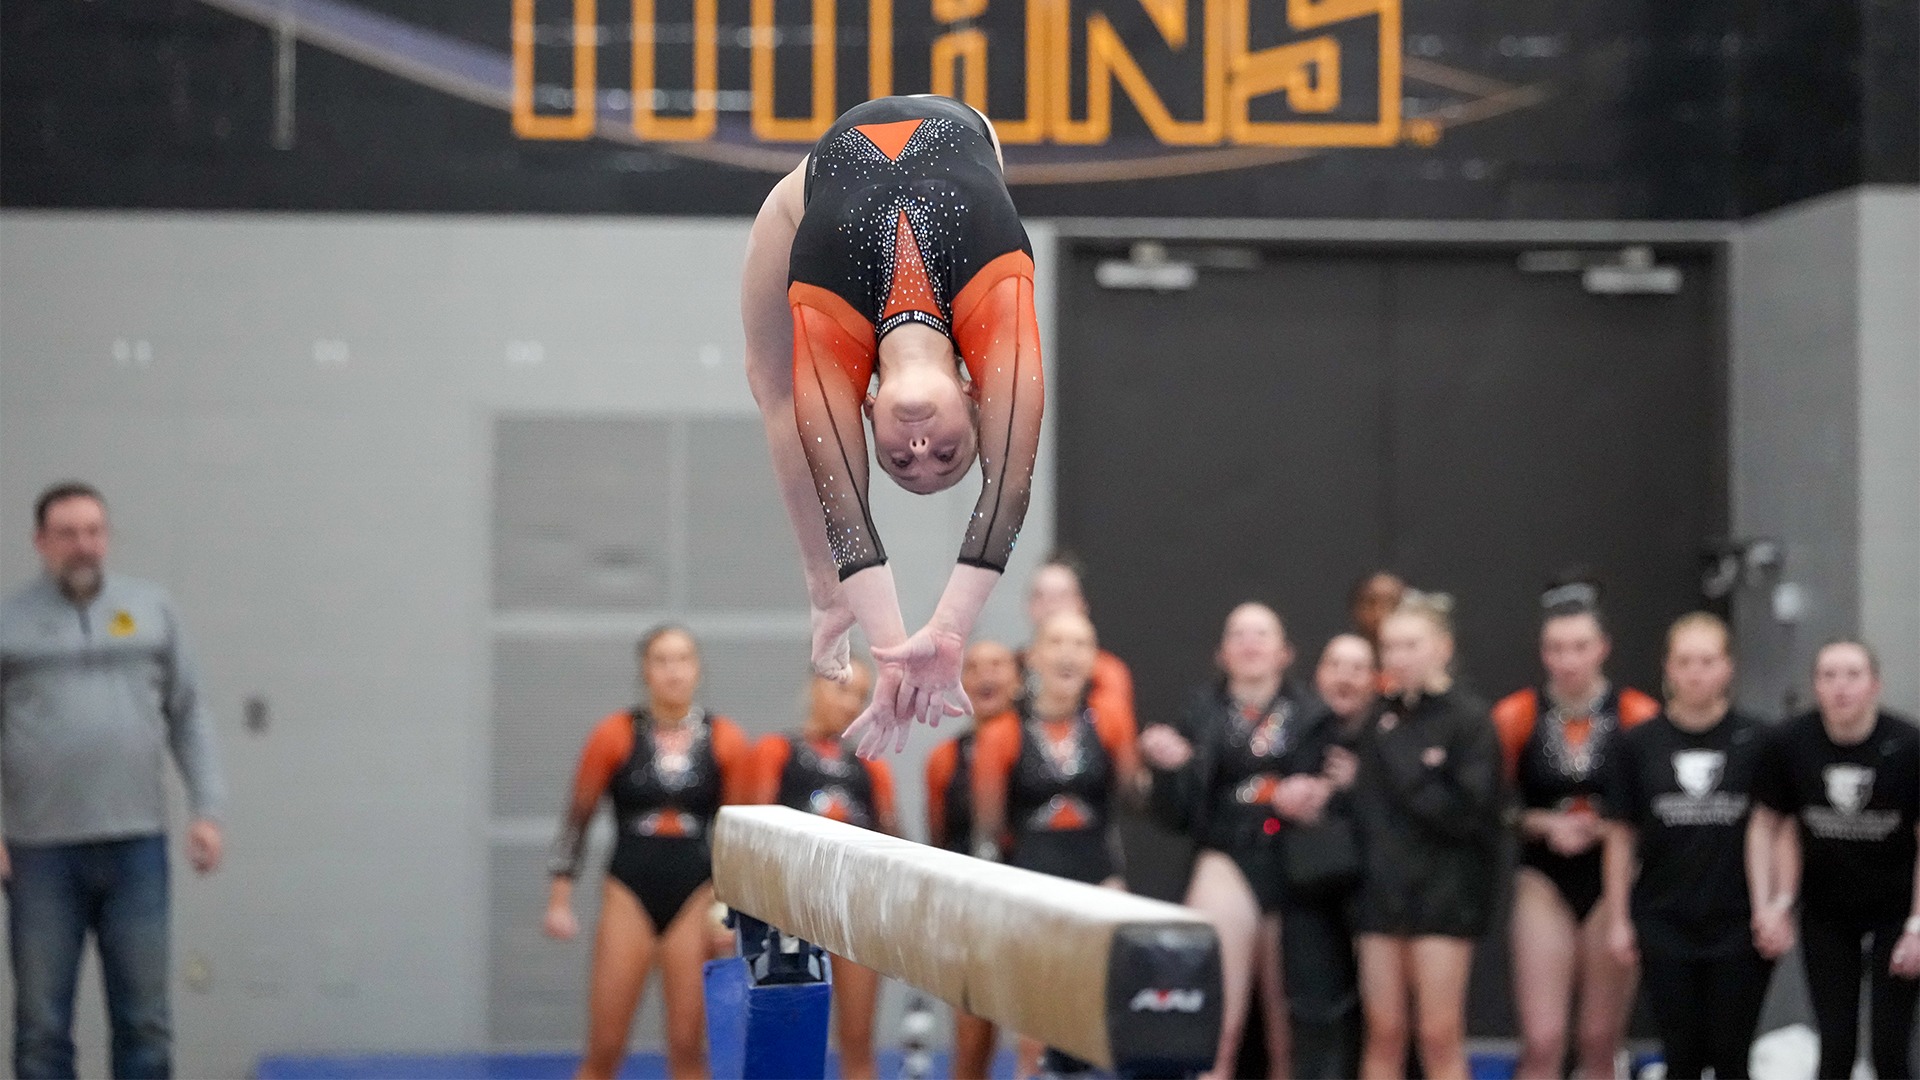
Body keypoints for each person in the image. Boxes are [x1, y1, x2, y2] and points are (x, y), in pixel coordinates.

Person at [742, 94, 1043, 756]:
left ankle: (824, 595)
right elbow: (1008, 493)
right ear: (974, 395)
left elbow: (845, 517)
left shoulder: (835, 339)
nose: (919, 445)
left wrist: (845, 608)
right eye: (947, 452)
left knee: (775, 387)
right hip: (969, 131)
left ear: (867, 409)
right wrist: (951, 631)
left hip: (804, 199)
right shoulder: (996, 304)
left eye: (903, 461)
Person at [0, 481, 227, 1080]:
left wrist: (207, 810)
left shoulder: (152, 609)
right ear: (40, 542)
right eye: (69, 534)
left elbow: (189, 712)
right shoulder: (8, 622)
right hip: (39, 855)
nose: (84, 546)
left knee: (146, 1025)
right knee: (41, 1031)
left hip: (136, 848)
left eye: (95, 532)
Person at [543, 627, 754, 1080]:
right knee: (604, 1048)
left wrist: (727, 907)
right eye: (661, 660)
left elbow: (738, 834)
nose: (672, 670)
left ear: (698, 668)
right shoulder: (614, 734)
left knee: (687, 1050)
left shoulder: (726, 739)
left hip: (695, 895)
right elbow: (577, 818)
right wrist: (560, 898)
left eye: (682, 659)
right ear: (645, 669)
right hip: (629, 891)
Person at [1138, 603, 1329, 1078]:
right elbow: (1175, 815)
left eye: (1262, 633)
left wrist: (1321, 792)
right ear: (1221, 653)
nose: (1250, 643)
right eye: (1238, 634)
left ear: (1285, 652)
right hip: (1228, 857)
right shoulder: (1199, 711)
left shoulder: (1314, 714)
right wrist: (1168, 769)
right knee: (1217, 1025)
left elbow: (1344, 792)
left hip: (1297, 868)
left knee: (1291, 1034)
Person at [1600, 613, 1779, 1080]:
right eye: (1685, 661)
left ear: (1728, 668)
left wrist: (1776, 906)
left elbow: (1777, 830)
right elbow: (1620, 836)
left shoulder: (1759, 741)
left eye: (1707, 660)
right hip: (1663, 919)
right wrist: (1619, 919)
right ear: (1668, 669)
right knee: (1681, 1056)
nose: (1696, 672)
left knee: (1731, 1056)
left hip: (1737, 920)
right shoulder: (1637, 745)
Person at [1492, 583, 1658, 1079]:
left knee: (1599, 1041)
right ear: (1543, 653)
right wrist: (1542, 823)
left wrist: (1605, 830)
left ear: (1603, 648)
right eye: (1557, 649)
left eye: (1580, 647)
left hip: (1613, 881)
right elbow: (1489, 807)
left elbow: (1658, 809)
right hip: (1543, 876)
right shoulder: (1515, 715)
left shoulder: (1638, 715)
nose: (1568, 660)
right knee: (1542, 1040)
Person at [973, 611, 1140, 1077]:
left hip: (1098, 872)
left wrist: (1167, 765)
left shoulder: (1109, 718)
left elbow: (1136, 796)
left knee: (1101, 1022)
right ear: (1035, 656)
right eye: (1058, 642)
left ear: (1095, 659)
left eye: (1082, 644)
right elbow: (989, 832)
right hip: (1033, 877)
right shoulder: (1001, 732)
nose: (1069, 653)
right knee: (1036, 1037)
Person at [1751, 640, 1920, 1080]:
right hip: (1827, 911)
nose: (1841, 687)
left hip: (1897, 910)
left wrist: (1918, 926)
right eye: (1829, 676)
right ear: (1815, 686)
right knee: (1835, 1044)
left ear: (1875, 685)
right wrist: (1775, 902)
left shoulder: (1907, 745)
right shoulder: (1791, 742)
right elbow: (1773, 825)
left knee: (1890, 1048)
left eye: (1852, 675)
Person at [1350, 592, 1502, 1080]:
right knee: (1383, 1030)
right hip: (1380, 894)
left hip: (1445, 894)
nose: (1398, 657)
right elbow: (1368, 807)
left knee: (1438, 1033)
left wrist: (1413, 771)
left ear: (1442, 647)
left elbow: (1470, 812)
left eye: (1411, 645)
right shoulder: (1378, 719)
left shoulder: (1469, 720)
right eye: (1390, 647)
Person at [754, 663, 898, 1080]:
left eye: (860, 695)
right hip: (789, 907)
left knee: (858, 1043)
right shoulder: (775, 752)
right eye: (841, 690)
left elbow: (895, 848)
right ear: (814, 686)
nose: (851, 702)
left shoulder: (872, 768)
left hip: (855, 907)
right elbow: (750, 836)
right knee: (785, 1045)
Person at [924, 640, 1020, 1080]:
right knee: (971, 1043)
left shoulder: (1037, 743)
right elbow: (939, 843)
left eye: (998, 665)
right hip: (970, 905)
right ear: (960, 684)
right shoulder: (944, 760)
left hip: (1028, 897)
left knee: (1033, 1040)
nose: (987, 676)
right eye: (974, 668)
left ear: (1017, 679)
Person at [1283, 633, 1377, 1080]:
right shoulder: (1298, 732)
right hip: (1312, 892)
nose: (1346, 677)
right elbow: (1264, 794)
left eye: (1358, 668)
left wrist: (1365, 783)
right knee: (1315, 1012)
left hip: (1379, 897)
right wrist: (1287, 799)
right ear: (1318, 675)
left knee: (1383, 1017)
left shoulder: (1391, 737)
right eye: (1335, 665)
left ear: (1376, 679)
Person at [1025, 554, 1137, 733]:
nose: (1051, 606)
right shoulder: (1012, 667)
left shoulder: (1108, 673)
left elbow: (1120, 736)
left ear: (1081, 604)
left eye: (1062, 596)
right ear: (1028, 606)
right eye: (1041, 596)